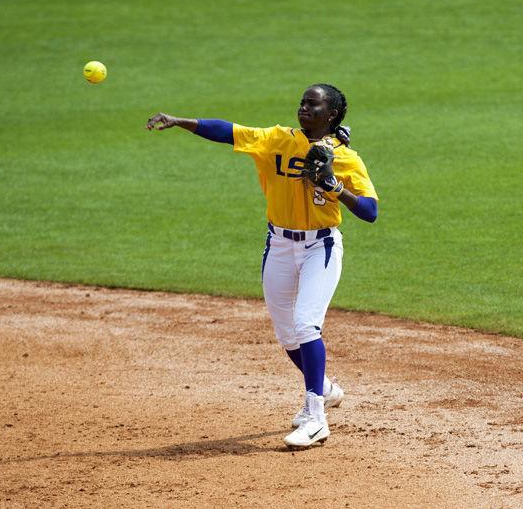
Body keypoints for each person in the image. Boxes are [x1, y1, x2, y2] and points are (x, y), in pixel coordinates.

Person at [146, 83, 378, 448]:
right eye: (302, 102)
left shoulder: (346, 157)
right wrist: (180, 121)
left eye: (313, 104)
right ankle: (326, 389)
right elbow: (229, 131)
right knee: (287, 334)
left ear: (330, 114)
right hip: (280, 245)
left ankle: (315, 417)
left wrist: (334, 186)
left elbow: (370, 212)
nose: (303, 108)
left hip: (322, 245)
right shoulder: (276, 140)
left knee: (305, 323)